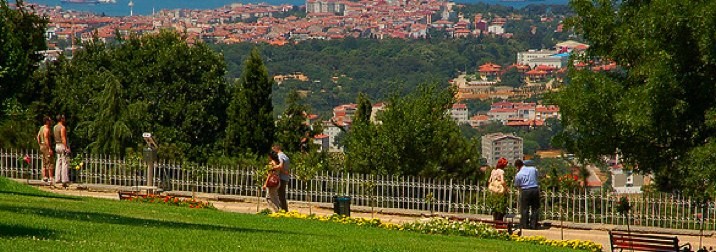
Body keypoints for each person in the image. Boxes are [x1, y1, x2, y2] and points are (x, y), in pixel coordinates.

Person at [514, 159, 540, 229]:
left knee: (525, 208)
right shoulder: (533, 169)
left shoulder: (519, 174)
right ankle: (534, 225)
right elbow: (537, 176)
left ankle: (525, 225)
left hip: (525, 190)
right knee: (535, 208)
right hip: (535, 189)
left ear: (517, 167)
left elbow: (517, 184)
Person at [271, 144, 291, 211]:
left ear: (275, 149)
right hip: (285, 177)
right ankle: (284, 209)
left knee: (280, 195)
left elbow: (280, 166)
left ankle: (284, 210)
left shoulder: (280, 156)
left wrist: (284, 171)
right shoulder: (285, 155)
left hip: (281, 177)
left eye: (273, 150)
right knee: (281, 195)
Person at [53, 115, 70, 188]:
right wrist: (66, 147)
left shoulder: (54, 127)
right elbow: (63, 138)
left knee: (58, 161)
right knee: (64, 162)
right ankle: (64, 179)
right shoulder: (63, 128)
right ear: (61, 119)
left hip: (57, 144)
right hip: (62, 145)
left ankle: (57, 178)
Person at [36, 116, 54, 184]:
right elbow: (46, 138)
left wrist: (40, 144)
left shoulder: (41, 128)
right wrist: (49, 148)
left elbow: (38, 136)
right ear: (47, 121)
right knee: (49, 161)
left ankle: (44, 177)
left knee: (44, 162)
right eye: (49, 120)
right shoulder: (46, 129)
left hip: (42, 145)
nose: (51, 121)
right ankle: (50, 177)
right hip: (46, 146)